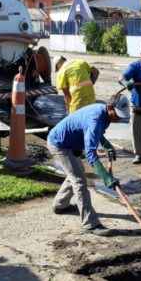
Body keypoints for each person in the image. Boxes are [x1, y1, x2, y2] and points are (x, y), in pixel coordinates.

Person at [47, 95, 130, 235]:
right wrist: (106, 177)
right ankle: (90, 224)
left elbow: (96, 133)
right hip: (60, 145)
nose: (118, 118)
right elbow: (91, 154)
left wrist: (107, 144)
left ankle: (60, 205)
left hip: (69, 143)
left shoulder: (104, 113)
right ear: (110, 107)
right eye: (117, 114)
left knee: (75, 174)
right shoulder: (96, 119)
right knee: (79, 181)